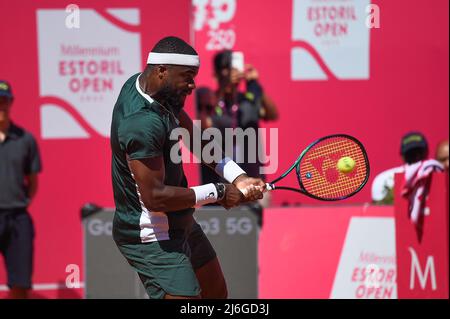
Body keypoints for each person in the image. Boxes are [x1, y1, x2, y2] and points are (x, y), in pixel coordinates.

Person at [110, 36, 265, 299]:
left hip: (179, 220)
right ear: (162, 71)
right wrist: (219, 191)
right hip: (151, 235)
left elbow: (196, 140)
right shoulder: (141, 123)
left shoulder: (156, 88)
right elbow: (155, 198)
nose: (193, 85)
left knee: (215, 294)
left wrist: (238, 177)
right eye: (188, 77)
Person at [0, 80, 42, 299]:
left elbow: (32, 181)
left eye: (4, 100)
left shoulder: (25, 139)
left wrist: (23, 202)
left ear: (11, 102)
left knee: (21, 283)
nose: (1, 105)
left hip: (17, 217)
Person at [371, 131, 429, 204]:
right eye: (410, 153)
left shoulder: (436, 175)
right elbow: (377, 210)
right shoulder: (383, 180)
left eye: (419, 151)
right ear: (402, 156)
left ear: (427, 152)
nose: (416, 156)